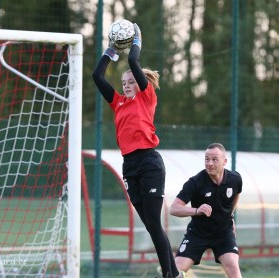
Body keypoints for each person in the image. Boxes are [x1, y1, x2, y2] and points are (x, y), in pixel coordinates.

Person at [92, 23, 179, 278]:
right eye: (124, 82)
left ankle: (169, 275)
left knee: (154, 222)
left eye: (131, 80)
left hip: (149, 162)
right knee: (151, 226)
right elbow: (97, 76)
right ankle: (173, 273)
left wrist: (136, 40)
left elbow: (133, 61)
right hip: (129, 167)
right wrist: (109, 51)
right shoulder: (118, 103)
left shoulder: (146, 97)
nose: (127, 84)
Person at [170, 143, 242, 278]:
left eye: (214, 159)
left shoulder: (235, 179)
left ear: (224, 161)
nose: (209, 163)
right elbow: (174, 208)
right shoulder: (195, 182)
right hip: (198, 234)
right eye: (207, 159)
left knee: (233, 265)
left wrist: (230, 216)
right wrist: (196, 210)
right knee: (175, 273)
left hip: (223, 233)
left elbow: (236, 194)